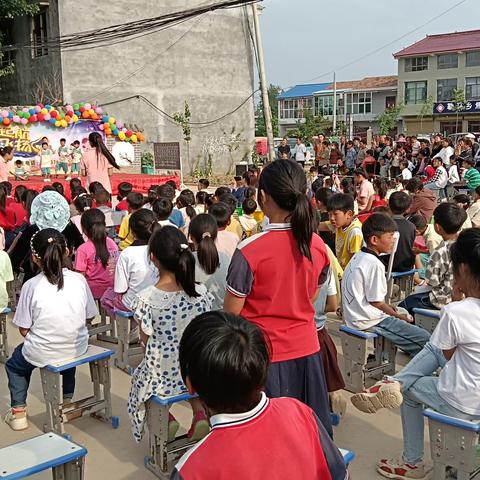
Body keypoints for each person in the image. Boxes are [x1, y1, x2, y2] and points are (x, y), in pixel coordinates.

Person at [350, 228, 480, 480]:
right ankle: (395, 383)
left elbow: (448, 356)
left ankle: (412, 461)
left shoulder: (457, 312)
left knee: (411, 389)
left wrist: (455, 300)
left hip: (464, 403)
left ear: (462, 269)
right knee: (435, 347)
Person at [224, 160, 333, 436]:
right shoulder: (317, 245)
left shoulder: (250, 250)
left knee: (271, 437)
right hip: (308, 351)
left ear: (263, 197)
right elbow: (312, 295)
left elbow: (231, 316)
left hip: (264, 358)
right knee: (309, 433)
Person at [172, 311, 347, 480]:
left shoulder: (191, 469)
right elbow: (339, 473)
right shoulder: (299, 412)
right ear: (263, 368)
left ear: (190, 385)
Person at [4, 229, 97, 430]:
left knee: (15, 366)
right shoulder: (79, 280)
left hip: (44, 348)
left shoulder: (31, 285)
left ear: (35, 259)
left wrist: (42, 336)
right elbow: (90, 315)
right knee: (67, 358)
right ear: (66, 252)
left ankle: (18, 413)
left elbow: (23, 329)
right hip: (75, 345)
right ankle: (66, 400)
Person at [128, 226, 213, 442]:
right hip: (195, 370)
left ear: (153, 258)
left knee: (140, 383)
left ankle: (166, 419)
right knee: (188, 378)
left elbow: (146, 343)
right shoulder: (201, 293)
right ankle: (200, 414)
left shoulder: (146, 298)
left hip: (161, 373)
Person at [342, 213, 430, 356]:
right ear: (374, 240)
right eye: (389, 237)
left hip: (356, 315)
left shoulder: (359, 256)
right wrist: (397, 316)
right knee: (426, 340)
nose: (393, 241)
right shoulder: (374, 263)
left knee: (403, 316)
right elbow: (376, 302)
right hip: (367, 320)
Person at [399, 203, 467, 314]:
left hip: (442, 300)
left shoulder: (441, 251)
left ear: (437, 227)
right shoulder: (466, 243)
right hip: (464, 296)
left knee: (404, 305)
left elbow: (432, 281)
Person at [100, 209, 158, 315]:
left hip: (132, 303)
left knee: (106, 298)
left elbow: (120, 289)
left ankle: (121, 329)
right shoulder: (162, 247)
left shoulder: (127, 254)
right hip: (159, 300)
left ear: (131, 231)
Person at [74, 209, 119, 300]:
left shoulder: (83, 249)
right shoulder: (112, 243)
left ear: (83, 228)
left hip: (91, 293)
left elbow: (80, 277)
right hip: (112, 289)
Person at [189, 214, 229, 309]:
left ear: (191, 237)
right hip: (222, 317)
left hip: (195, 317)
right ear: (215, 235)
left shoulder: (186, 260)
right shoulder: (226, 258)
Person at [318, 193, 363, 270]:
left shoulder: (355, 232)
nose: (332, 218)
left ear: (349, 214)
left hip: (348, 272)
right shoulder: (340, 224)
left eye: (335, 214)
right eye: (329, 214)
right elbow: (321, 226)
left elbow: (356, 261)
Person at [385, 192, 415, 272]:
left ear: (388, 205)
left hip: (387, 267)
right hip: (407, 266)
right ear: (407, 209)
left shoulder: (384, 225)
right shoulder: (411, 226)